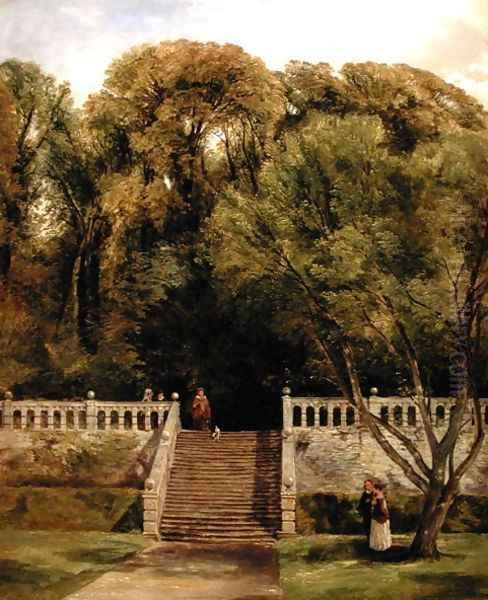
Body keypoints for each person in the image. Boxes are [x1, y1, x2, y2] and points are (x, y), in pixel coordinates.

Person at [369, 482, 392, 551]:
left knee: (379, 532)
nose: (373, 490)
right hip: (378, 516)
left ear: (377, 489)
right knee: (379, 532)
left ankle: (381, 546)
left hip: (379, 516)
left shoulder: (379, 496)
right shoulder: (377, 495)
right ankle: (380, 546)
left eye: (374, 489)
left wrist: (385, 514)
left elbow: (381, 508)